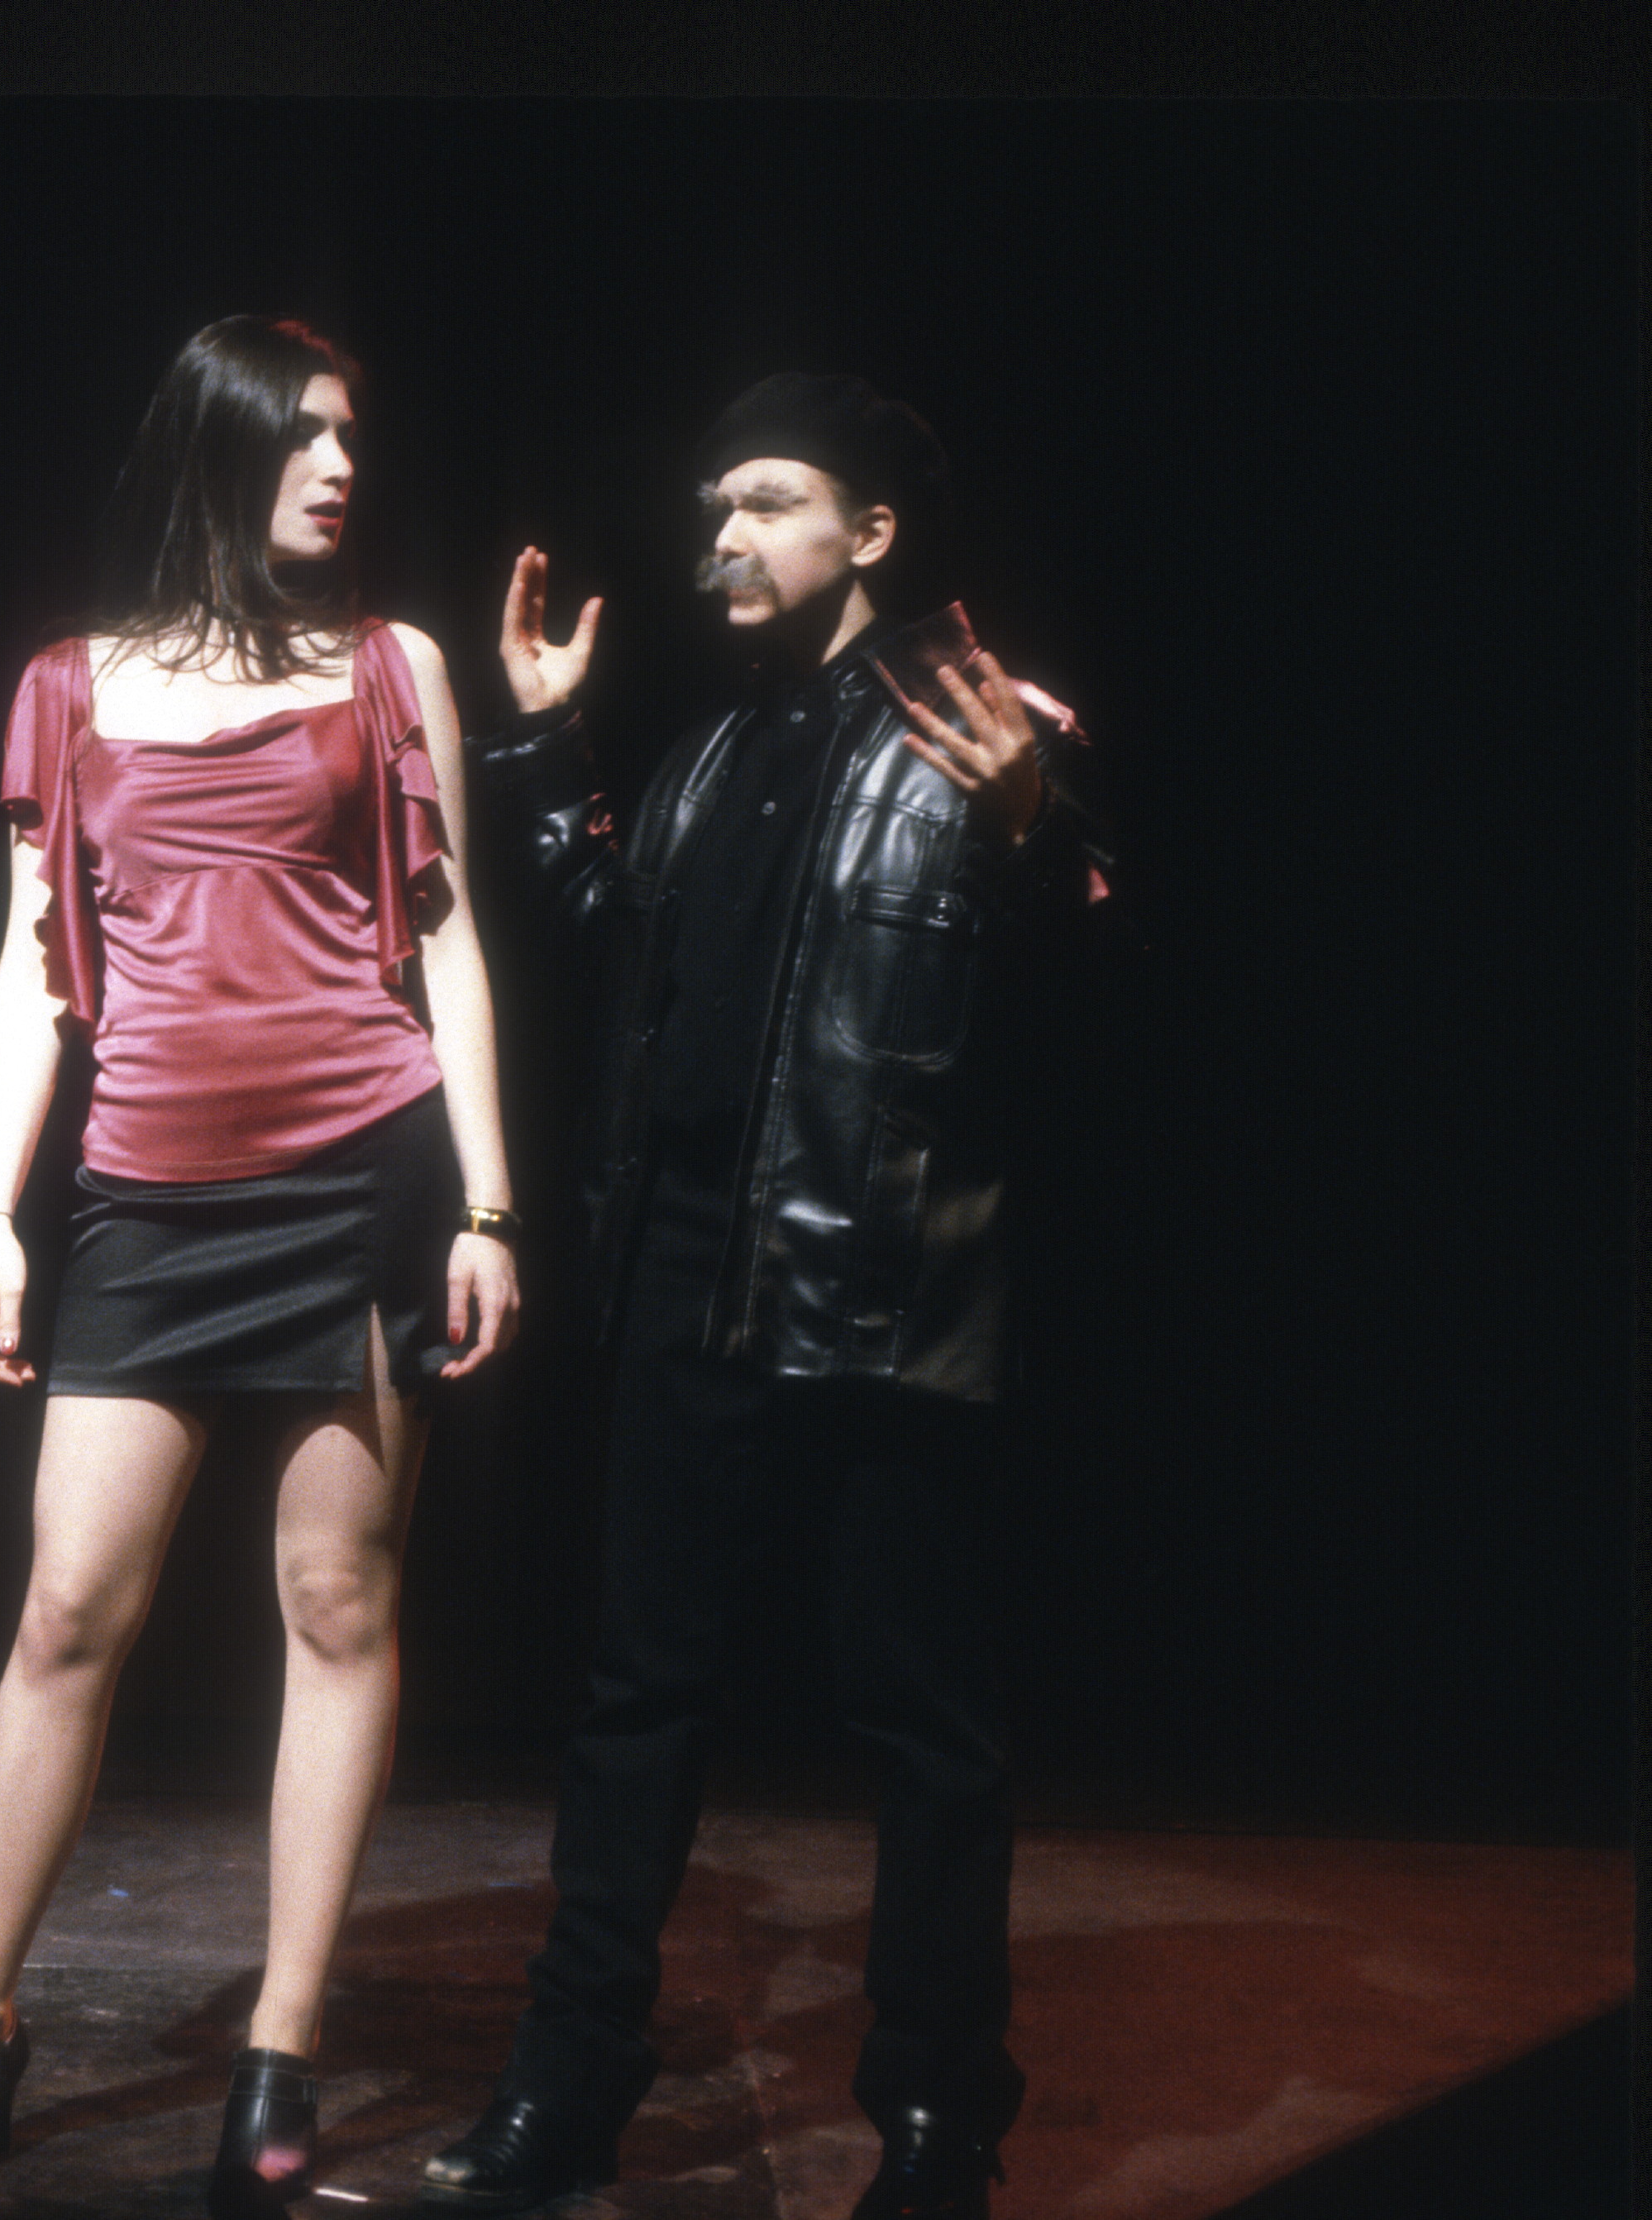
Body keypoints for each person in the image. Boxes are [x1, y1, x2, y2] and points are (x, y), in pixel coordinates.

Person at [414, 374, 1110, 2220]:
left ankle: (938, 2123)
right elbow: (622, 960)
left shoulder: (995, 722)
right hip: (684, 1281)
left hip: (883, 1293)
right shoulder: (716, 749)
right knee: (636, 1700)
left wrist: (1035, 833)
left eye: (768, 502)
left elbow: (1108, 1002)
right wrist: (544, 751)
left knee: (925, 1731)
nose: (721, 534)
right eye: (715, 505)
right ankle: (569, 2086)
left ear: (868, 531)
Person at [0, 316, 523, 2218]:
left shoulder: (393, 666)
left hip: (360, 1180)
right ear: (218, 449)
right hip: (146, 1196)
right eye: (306, 435)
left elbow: (448, 939)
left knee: (334, 1600)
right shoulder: (69, 684)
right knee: (70, 1607)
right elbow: (31, 971)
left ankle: (279, 2049)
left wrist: (489, 1206)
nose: (343, 466)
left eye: (354, 436)